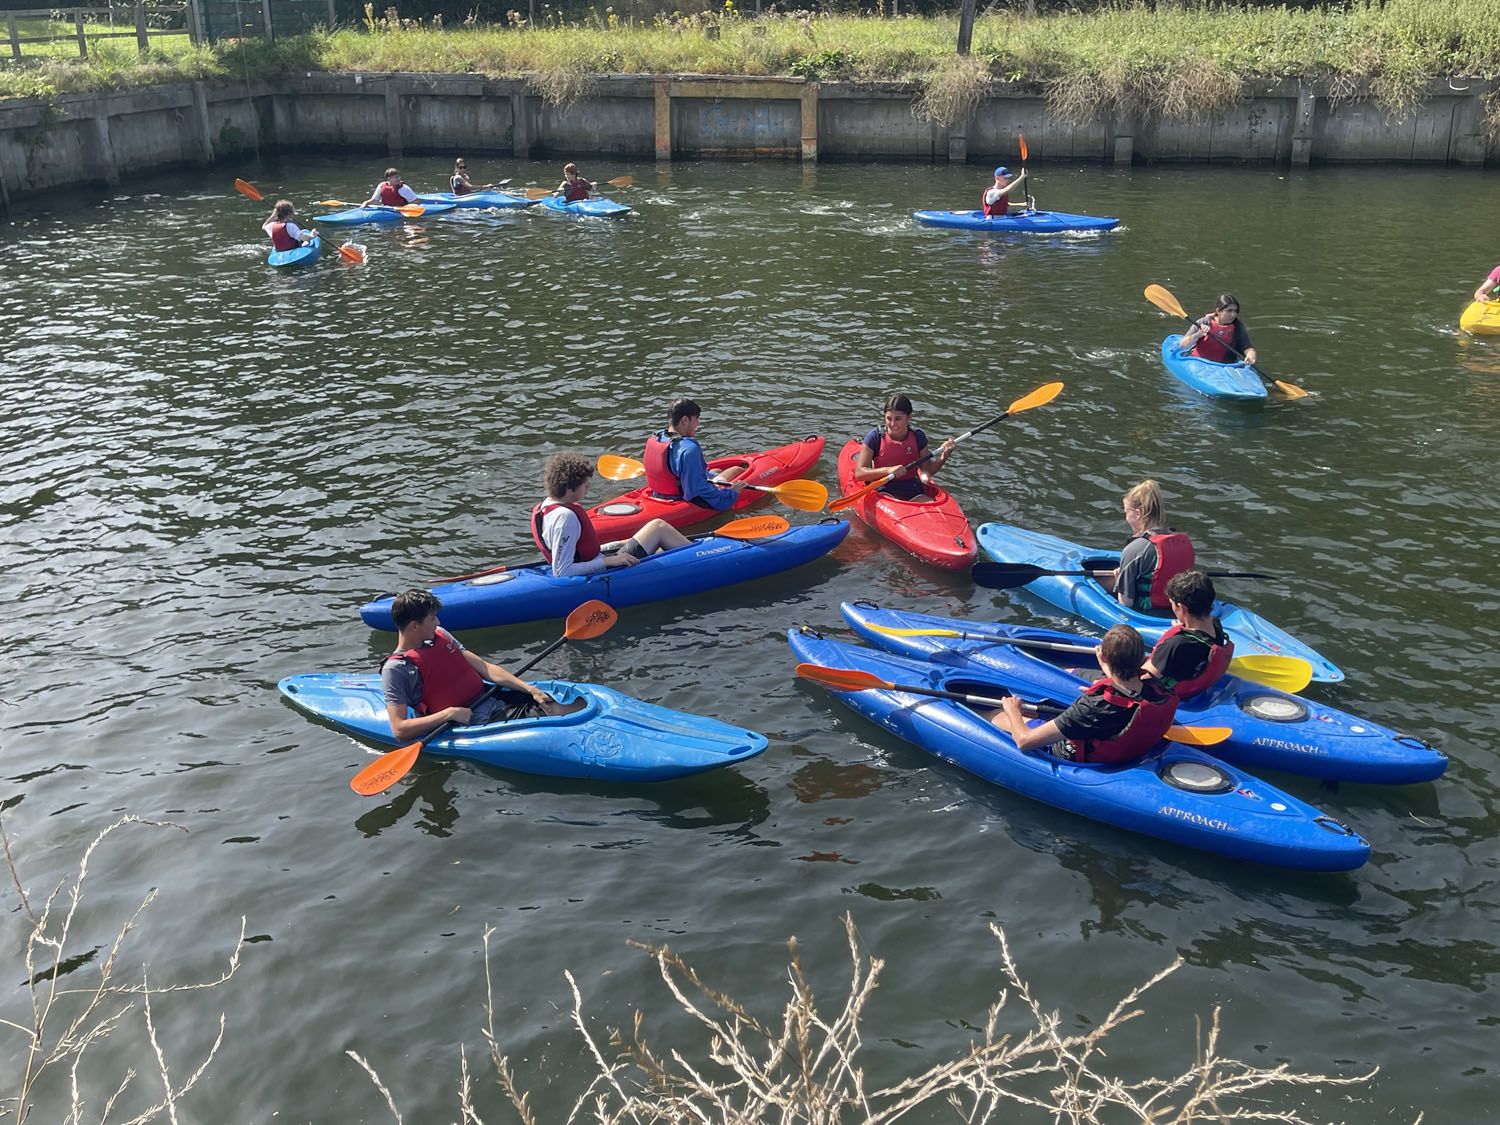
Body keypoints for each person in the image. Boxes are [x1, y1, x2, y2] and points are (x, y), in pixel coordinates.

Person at [380, 589, 582, 742]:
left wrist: (529, 689)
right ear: (414, 626)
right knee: (554, 716)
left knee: (554, 704)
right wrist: (448, 714)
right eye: (432, 618)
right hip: (472, 720)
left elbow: (485, 668)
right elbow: (400, 730)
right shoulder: (397, 669)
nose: (437, 621)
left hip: (491, 696)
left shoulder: (441, 634)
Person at [988, 624, 1179, 764]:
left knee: (997, 714)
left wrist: (1013, 710)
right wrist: (1106, 672)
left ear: (1104, 658)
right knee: (1050, 713)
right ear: (1143, 659)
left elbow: (1025, 741)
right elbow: (1127, 692)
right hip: (1125, 743)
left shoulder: (1093, 707)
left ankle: (996, 714)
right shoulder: (1158, 690)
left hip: (1071, 752)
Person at [532, 452, 692, 577]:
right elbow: (563, 571)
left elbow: (575, 553)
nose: (588, 485)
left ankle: (694, 553)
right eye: (583, 482)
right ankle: (703, 558)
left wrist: (616, 544)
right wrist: (610, 560)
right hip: (602, 572)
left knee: (658, 546)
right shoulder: (565, 518)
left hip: (598, 560)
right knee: (658, 527)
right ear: (569, 488)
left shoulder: (546, 507)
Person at [1098, 479, 1195, 614]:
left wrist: (1118, 581)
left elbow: (1126, 603)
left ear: (1138, 513)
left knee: (1101, 584)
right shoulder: (1184, 542)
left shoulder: (1134, 549)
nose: (1126, 518)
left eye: (1127, 512)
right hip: (1179, 610)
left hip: (1147, 613)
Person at [1143, 569, 1235, 698]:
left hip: (1168, 694)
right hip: (1194, 681)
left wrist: (1107, 667)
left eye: (1172, 605)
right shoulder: (1216, 626)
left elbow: (1144, 680)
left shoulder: (1176, 645)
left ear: (1182, 608)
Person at [642, 398, 747, 510]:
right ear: (685, 420)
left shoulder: (657, 438)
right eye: (696, 419)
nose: (698, 423)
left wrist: (712, 477)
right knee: (736, 469)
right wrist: (731, 492)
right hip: (682, 500)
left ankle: (718, 476)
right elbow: (700, 492)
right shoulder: (689, 449)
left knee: (716, 471)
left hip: (658, 495)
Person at [852, 393, 957, 504]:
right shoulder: (875, 437)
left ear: (909, 417)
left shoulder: (918, 436)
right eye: (888, 418)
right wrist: (889, 470)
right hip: (882, 489)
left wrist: (944, 456)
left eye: (898, 419)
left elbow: (927, 470)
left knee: (933, 508)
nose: (892, 424)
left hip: (911, 489)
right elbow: (859, 474)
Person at [1179, 293, 1256, 365]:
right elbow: (1183, 345)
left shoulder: (1237, 327)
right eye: (1229, 311)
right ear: (1218, 311)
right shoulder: (1204, 322)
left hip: (1223, 366)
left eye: (1235, 311)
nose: (1233, 314)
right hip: (1199, 362)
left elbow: (1248, 348)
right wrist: (1198, 335)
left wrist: (1251, 356)